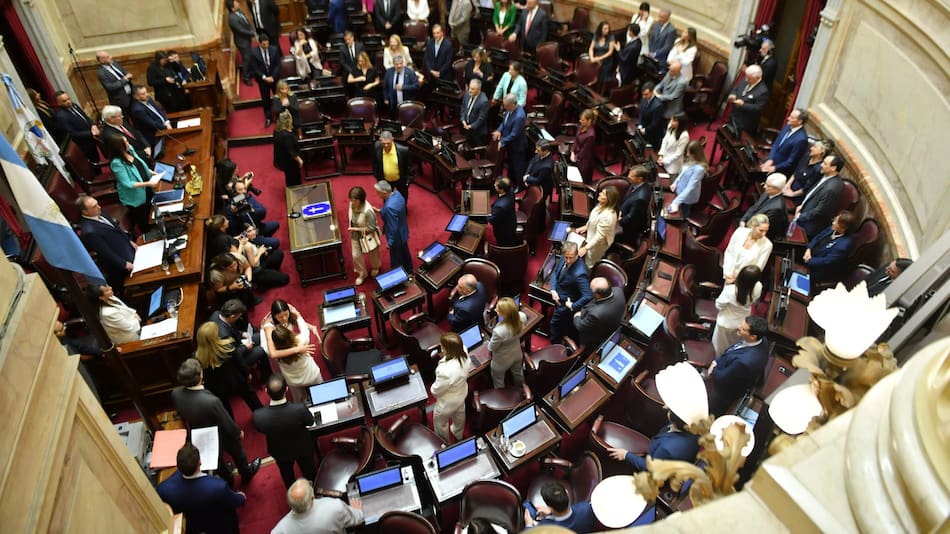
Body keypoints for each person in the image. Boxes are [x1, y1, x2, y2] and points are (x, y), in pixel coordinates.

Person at [171, 359, 262, 487]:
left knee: (217, 460)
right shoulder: (211, 401)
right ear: (201, 375)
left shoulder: (176, 393)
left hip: (197, 432)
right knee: (239, 454)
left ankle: (228, 479)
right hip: (221, 433)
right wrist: (238, 433)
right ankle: (246, 473)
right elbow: (226, 421)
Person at [157, 443, 246, 534]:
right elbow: (236, 501)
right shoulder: (219, 487)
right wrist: (241, 497)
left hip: (195, 526)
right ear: (200, 462)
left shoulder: (164, 489)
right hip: (221, 525)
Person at [253, 374, 317, 489]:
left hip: (279, 451)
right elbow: (310, 422)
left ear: (266, 391)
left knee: (287, 475)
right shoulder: (299, 409)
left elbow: (260, 429)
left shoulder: (259, 416)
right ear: (286, 389)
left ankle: (293, 494)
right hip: (302, 447)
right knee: (309, 472)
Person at [194, 321, 264, 416]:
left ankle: (231, 425)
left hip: (217, 387)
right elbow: (240, 363)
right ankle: (261, 414)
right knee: (250, 396)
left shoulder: (197, 356)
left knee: (225, 408)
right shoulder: (227, 347)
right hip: (236, 379)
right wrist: (247, 373)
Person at [706, 316, 770, 415]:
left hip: (722, 393)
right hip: (728, 367)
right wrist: (716, 362)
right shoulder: (762, 341)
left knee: (710, 413)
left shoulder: (744, 362)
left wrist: (713, 369)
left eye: (743, 329)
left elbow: (722, 378)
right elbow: (733, 350)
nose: (738, 327)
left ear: (753, 336)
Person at [261, 300, 322, 400]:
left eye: (286, 315)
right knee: (320, 393)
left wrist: (311, 326)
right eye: (280, 317)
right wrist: (297, 314)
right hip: (311, 374)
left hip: (292, 380)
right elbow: (303, 329)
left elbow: (266, 346)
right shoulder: (302, 341)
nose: (284, 319)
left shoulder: (272, 347)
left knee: (299, 400)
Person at [76, 194, 136, 292]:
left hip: (126, 248)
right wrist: (124, 264)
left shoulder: (97, 212)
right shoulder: (89, 232)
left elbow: (116, 227)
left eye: (97, 204)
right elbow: (105, 252)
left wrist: (129, 241)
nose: (99, 207)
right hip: (120, 263)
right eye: (94, 206)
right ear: (85, 211)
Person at [607, 410, 700, 471]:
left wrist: (626, 455)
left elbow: (651, 467)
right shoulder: (697, 430)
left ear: (673, 418)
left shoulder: (667, 448)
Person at [104, 135, 160, 236]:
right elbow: (127, 183)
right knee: (144, 219)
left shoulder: (130, 150)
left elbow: (140, 164)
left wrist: (150, 172)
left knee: (152, 209)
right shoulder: (116, 163)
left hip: (146, 187)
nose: (128, 143)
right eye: (126, 142)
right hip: (135, 196)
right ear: (119, 146)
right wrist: (148, 183)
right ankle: (148, 237)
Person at [272, 479, 364, 534]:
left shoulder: (281, 529)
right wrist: (357, 510)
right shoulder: (334, 507)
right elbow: (357, 519)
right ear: (312, 498)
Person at [548, 242, 594, 344]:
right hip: (558, 293)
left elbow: (588, 295)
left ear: (577, 254)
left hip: (565, 304)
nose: (568, 261)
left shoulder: (580, 273)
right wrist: (553, 289)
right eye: (566, 257)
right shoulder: (564, 257)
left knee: (554, 324)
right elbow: (555, 273)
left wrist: (573, 306)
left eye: (571, 258)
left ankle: (554, 344)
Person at [431, 332, 473, 442]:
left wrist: (432, 388)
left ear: (448, 350)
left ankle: (445, 442)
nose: (441, 349)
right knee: (460, 416)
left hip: (447, 404)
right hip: (461, 395)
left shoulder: (445, 371)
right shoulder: (464, 351)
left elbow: (436, 391)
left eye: (442, 347)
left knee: (440, 424)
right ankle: (458, 433)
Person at [711, 266, 763, 355]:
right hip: (742, 322)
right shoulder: (758, 287)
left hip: (726, 323)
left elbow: (719, 305)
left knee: (719, 348)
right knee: (733, 346)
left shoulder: (730, 290)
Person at [211, 298, 269, 376]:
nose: (239, 318)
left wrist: (241, 333)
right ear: (232, 316)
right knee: (262, 350)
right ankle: (266, 375)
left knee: (260, 336)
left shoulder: (217, 313)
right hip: (235, 360)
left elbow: (231, 327)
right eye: (239, 316)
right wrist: (246, 347)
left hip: (238, 342)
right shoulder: (224, 336)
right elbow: (234, 354)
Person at [793, 155, 844, 237]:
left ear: (833, 168)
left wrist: (801, 216)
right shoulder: (826, 176)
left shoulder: (831, 188)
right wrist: (802, 205)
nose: (821, 165)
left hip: (808, 224)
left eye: (825, 163)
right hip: (803, 212)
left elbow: (820, 211)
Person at [571, 185, 620, 268]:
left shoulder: (608, 216)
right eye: (601, 192)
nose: (600, 194)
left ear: (609, 198)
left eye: (603, 194)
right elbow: (593, 217)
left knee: (589, 263)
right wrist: (586, 226)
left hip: (598, 245)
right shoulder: (601, 205)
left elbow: (599, 237)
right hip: (591, 236)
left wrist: (586, 248)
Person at [574, 277, 625, 355]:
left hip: (594, 338)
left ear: (597, 295)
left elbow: (580, 326)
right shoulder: (618, 290)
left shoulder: (596, 314)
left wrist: (576, 316)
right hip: (611, 323)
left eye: (590, 289)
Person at [804, 211, 855, 286]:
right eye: (835, 220)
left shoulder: (844, 245)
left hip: (818, 269)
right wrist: (809, 249)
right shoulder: (832, 229)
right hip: (810, 255)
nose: (833, 223)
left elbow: (826, 261)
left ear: (843, 228)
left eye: (836, 222)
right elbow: (817, 237)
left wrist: (809, 261)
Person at [523, 482, 596, 533]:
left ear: (549, 507)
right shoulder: (587, 509)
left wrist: (528, 525)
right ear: (567, 493)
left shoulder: (544, 527)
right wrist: (551, 513)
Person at [375, 180, 413, 274]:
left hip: (396, 238)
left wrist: (390, 243)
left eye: (378, 193)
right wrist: (380, 211)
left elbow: (393, 228)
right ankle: (409, 270)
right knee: (405, 253)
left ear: (384, 193)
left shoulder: (389, 207)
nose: (377, 195)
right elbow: (395, 212)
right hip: (403, 231)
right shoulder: (398, 194)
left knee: (396, 259)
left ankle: (399, 278)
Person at [346, 186, 381, 285]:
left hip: (368, 235)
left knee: (373, 253)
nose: (352, 202)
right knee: (356, 255)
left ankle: (375, 267)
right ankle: (362, 273)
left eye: (354, 200)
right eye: (351, 199)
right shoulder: (351, 205)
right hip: (355, 235)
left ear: (360, 200)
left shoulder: (368, 210)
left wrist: (356, 229)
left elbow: (372, 228)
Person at [783, 138, 834, 205]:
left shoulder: (819, 169)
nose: (811, 148)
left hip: (798, 197)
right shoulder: (806, 156)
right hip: (790, 187)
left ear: (822, 151)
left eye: (815, 147)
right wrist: (787, 185)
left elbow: (806, 189)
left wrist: (792, 194)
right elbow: (796, 172)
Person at [723, 214, 772, 283]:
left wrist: (737, 280)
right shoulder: (739, 231)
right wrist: (727, 273)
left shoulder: (767, 245)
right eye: (761, 230)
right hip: (728, 275)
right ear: (752, 226)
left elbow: (757, 269)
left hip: (745, 281)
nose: (764, 234)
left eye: (766, 231)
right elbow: (729, 252)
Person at [492, 94, 528, 189]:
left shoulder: (519, 116)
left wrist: (503, 141)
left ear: (513, 104)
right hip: (511, 144)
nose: (504, 107)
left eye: (506, 105)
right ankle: (512, 181)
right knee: (511, 164)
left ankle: (521, 186)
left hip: (517, 146)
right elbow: (504, 122)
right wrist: (499, 130)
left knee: (518, 167)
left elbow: (514, 134)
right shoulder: (509, 109)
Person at [53, 90, 100, 162]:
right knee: (94, 160)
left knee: (98, 156)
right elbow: (73, 134)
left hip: (92, 136)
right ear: (59, 103)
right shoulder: (61, 116)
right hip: (84, 143)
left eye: (68, 99)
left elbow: (86, 118)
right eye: (64, 101)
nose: (68, 102)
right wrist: (91, 133)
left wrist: (93, 125)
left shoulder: (74, 106)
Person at [488, 297, 525, 388]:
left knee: (498, 381)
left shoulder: (499, 331)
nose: (496, 309)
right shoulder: (522, 316)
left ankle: (502, 397)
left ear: (504, 314)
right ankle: (522, 390)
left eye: (498, 309)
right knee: (518, 374)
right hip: (517, 353)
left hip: (501, 361)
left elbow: (491, 348)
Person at [760, 109, 809, 176]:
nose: (788, 118)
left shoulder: (801, 139)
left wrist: (774, 168)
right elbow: (776, 144)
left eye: (792, 118)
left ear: (800, 121)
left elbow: (791, 161)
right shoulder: (787, 126)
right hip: (771, 161)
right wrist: (770, 159)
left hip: (781, 170)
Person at [740, 173, 788, 240]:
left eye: (768, 186)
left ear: (777, 189)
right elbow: (754, 207)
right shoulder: (768, 192)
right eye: (765, 183)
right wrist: (743, 220)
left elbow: (761, 227)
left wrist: (744, 229)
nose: (764, 186)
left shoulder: (777, 209)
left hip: (758, 235)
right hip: (750, 224)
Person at [665, 140, 707, 217]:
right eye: (687, 152)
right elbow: (682, 173)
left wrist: (676, 202)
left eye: (689, 153)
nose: (687, 155)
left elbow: (690, 188)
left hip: (687, 197)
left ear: (696, 154)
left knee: (682, 215)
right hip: (679, 189)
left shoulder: (699, 169)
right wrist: (675, 183)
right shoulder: (690, 159)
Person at [373, 130, 414, 202]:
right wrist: (379, 178)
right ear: (380, 140)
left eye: (388, 143)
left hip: (400, 181)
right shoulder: (377, 147)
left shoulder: (403, 150)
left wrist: (407, 183)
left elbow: (409, 168)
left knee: (403, 199)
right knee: (386, 200)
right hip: (385, 181)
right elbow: (375, 164)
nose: (386, 146)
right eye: (383, 143)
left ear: (392, 140)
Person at [727, 64, 769, 136]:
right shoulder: (745, 79)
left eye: (749, 78)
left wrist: (743, 105)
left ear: (757, 77)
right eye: (746, 77)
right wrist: (732, 94)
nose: (746, 79)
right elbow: (736, 89)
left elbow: (758, 108)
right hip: (734, 117)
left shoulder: (763, 91)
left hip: (745, 124)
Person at [250, 34, 282, 128]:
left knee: (278, 97)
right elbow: (255, 68)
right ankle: (268, 117)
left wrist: (273, 76)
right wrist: (264, 77)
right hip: (263, 80)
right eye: (264, 45)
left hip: (274, 78)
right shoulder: (254, 52)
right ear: (259, 43)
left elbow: (278, 65)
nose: (266, 46)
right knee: (266, 99)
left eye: (267, 44)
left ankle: (279, 115)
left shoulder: (274, 49)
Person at [618, 165, 652, 244]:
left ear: (640, 178)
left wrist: (619, 221)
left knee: (627, 241)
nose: (628, 177)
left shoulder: (641, 198)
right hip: (625, 211)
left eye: (631, 176)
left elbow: (632, 216)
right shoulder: (640, 184)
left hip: (630, 227)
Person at [227, 0, 256, 85]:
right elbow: (240, 30)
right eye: (236, 4)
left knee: (249, 56)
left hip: (247, 39)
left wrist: (250, 29)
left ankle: (251, 72)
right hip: (242, 42)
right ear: (232, 8)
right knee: (246, 59)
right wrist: (252, 33)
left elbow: (246, 21)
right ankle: (246, 77)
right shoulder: (232, 18)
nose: (238, 4)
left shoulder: (239, 11)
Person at [273, 110, 303, 186]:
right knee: (294, 179)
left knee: (289, 177)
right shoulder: (287, 136)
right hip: (290, 162)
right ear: (287, 121)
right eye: (291, 118)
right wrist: (299, 160)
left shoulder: (277, 131)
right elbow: (291, 151)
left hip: (283, 159)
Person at [459, 79, 490, 148]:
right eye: (470, 87)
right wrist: (463, 120)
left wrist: (471, 126)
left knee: (478, 152)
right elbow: (463, 107)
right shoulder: (467, 94)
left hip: (478, 132)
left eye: (472, 89)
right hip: (466, 128)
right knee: (468, 147)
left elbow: (481, 119)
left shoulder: (484, 101)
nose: (470, 90)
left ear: (478, 89)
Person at [489, 177, 519, 246]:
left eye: (496, 185)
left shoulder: (500, 206)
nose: (494, 185)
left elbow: (493, 220)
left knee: (503, 243)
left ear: (502, 189)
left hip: (503, 229)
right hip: (511, 221)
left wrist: (486, 216)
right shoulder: (511, 190)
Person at [571, 108, 597, 184]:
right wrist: (572, 152)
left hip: (584, 161)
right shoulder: (581, 127)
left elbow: (585, 151)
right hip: (576, 155)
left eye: (583, 120)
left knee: (581, 180)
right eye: (580, 120)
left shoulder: (591, 135)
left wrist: (576, 157)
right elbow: (576, 139)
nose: (580, 121)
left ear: (589, 121)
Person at [588, 21, 617, 87]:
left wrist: (599, 58)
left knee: (602, 79)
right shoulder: (596, 36)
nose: (607, 30)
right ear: (600, 29)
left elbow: (610, 52)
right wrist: (592, 58)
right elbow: (591, 48)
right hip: (596, 60)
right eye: (605, 29)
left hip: (606, 61)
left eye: (608, 28)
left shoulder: (611, 37)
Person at [637, 82, 665, 148]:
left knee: (649, 148)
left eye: (646, 94)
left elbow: (655, 123)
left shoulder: (658, 105)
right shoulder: (644, 98)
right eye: (643, 94)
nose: (644, 96)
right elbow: (641, 112)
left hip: (653, 134)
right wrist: (640, 125)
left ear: (652, 92)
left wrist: (646, 130)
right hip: (643, 129)